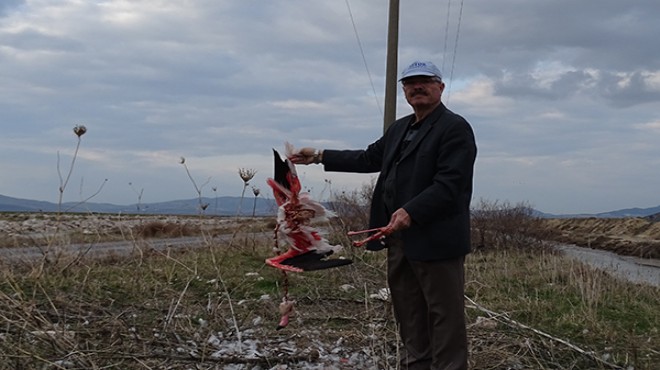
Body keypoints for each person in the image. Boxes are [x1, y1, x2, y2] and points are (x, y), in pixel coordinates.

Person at [290, 60, 477, 370]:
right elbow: (368, 158)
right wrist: (320, 156)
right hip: (399, 239)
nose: (417, 87)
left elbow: (451, 184)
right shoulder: (399, 128)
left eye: (425, 81)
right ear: (403, 90)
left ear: (440, 87)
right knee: (409, 311)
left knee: (444, 315)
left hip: (437, 241)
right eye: (409, 82)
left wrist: (411, 211)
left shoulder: (454, 128)